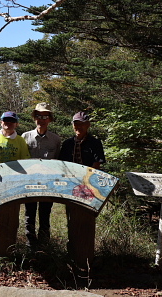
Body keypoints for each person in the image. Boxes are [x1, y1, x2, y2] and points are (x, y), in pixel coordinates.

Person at [59, 111, 106, 260]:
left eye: (82, 124)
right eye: (76, 124)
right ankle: (72, 249)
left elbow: (97, 164)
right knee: (71, 217)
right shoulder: (67, 144)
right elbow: (62, 165)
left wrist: (87, 183)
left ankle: (85, 252)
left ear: (88, 125)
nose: (79, 126)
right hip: (70, 186)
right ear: (73, 125)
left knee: (86, 216)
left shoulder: (95, 143)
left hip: (89, 186)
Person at [0, 111, 30, 253]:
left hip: (14, 183)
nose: (8, 123)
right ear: (1, 122)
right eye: (5, 120)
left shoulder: (20, 141)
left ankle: (10, 246)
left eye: (12, 121)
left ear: (16, 124)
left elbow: (25, 162)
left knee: (12, 214)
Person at [21, 103, 61, 247]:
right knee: (29, 214)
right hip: (29, 182)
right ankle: (30, 244)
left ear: (49, 119)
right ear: (34, 118)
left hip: (48, 184)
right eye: (38, 116)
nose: (41, 119)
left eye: (45, 116)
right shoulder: (25, 137)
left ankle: (44, 245)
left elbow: (57, 161)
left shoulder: (55, 140)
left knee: (45, 214)